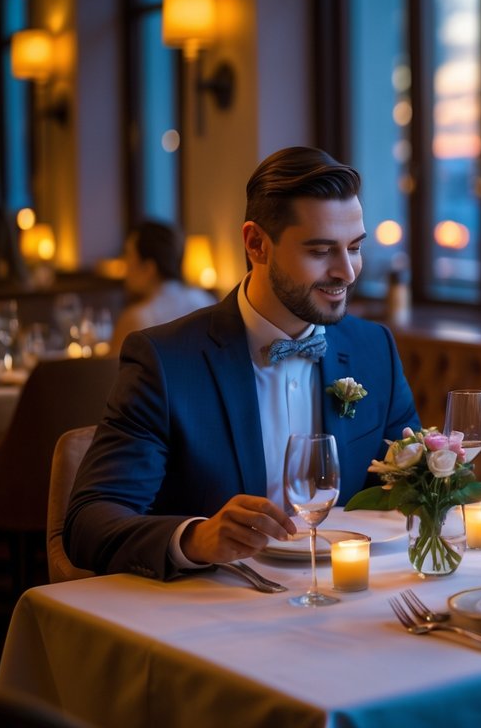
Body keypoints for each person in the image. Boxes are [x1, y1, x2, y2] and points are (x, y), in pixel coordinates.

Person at [65, 146, 421, 579]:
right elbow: (88, 523)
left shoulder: (373, 349)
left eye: (354, 248)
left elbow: (413, 486)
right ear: (256, 244)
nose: (346, 271)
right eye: (321, 251)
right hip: (214, 613)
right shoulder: (165, 360)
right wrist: (195, 538)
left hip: (348, 600)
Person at [109, 221, 217, 355]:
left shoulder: (136, 318)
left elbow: (112, 372)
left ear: (149, 268)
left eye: (128, 257)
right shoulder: (205, 300)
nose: (124, 268)